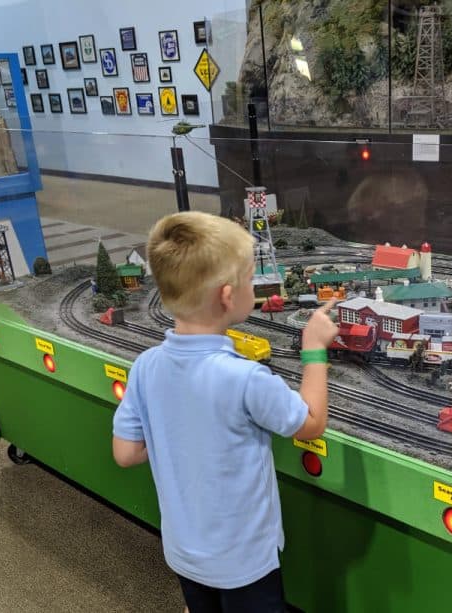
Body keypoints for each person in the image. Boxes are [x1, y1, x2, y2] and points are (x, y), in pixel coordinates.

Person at [111, 211, 338, 613]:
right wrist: (314, 349)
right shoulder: (246, 378)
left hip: (184, 553)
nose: (257, 286)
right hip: (244, 562)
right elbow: (311, 423)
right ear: (228, 297)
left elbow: (126, 453)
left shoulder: (146, 366)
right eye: (251, 278)